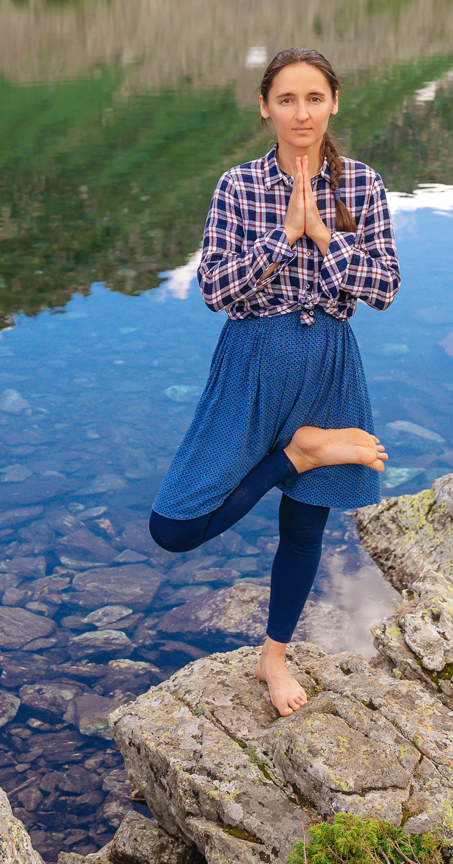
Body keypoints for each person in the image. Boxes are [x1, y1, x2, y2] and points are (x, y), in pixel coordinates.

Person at [148, 47, 400, 716]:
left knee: (304, 529)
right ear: (265, 108)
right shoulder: (238, 186)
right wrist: (284, 237)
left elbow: (384, 288)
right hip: (252, 361)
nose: (301, 113)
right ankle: (298, 454)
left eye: (314, 98)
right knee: (174, 526)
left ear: (334, 102)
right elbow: (214, 289)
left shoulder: (361, 184)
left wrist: (325, 236)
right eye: (286, 99)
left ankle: (274, 656)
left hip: (329, 363)